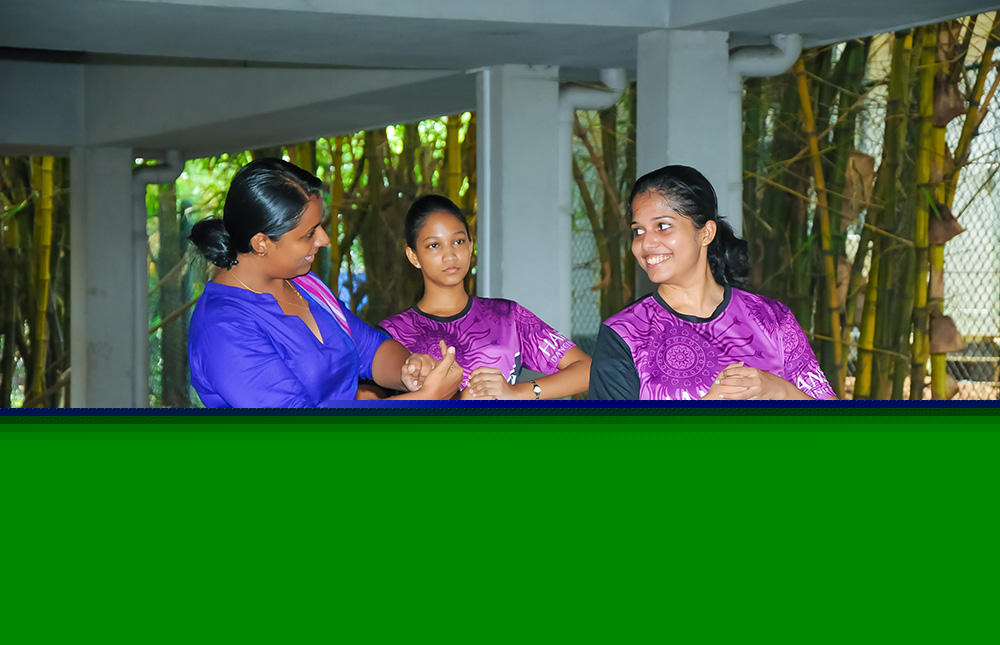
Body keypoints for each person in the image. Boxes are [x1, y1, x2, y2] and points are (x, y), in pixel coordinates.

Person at [187, 158, 462, 407]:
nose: (324, 239)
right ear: (262, 243)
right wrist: (424, 399)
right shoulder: (222, 325)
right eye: (309, 234)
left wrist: (410, 370)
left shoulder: (305, 284)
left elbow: (370, 348)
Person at [589, 165, 836, 401]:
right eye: (638, 231)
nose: (646, 243)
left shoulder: (771, 318)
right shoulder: (625, 334)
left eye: (662, 227)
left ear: (706, 233)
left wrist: (779, 390)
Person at [379, 195, 592, 400]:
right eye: (434, 245)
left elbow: (587, 369)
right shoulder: (391, 334)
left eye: (458, 241)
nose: (450, 255)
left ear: (471, 245)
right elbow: (365, 405)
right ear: (413, 256)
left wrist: (517, 393)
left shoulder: (508, 317)